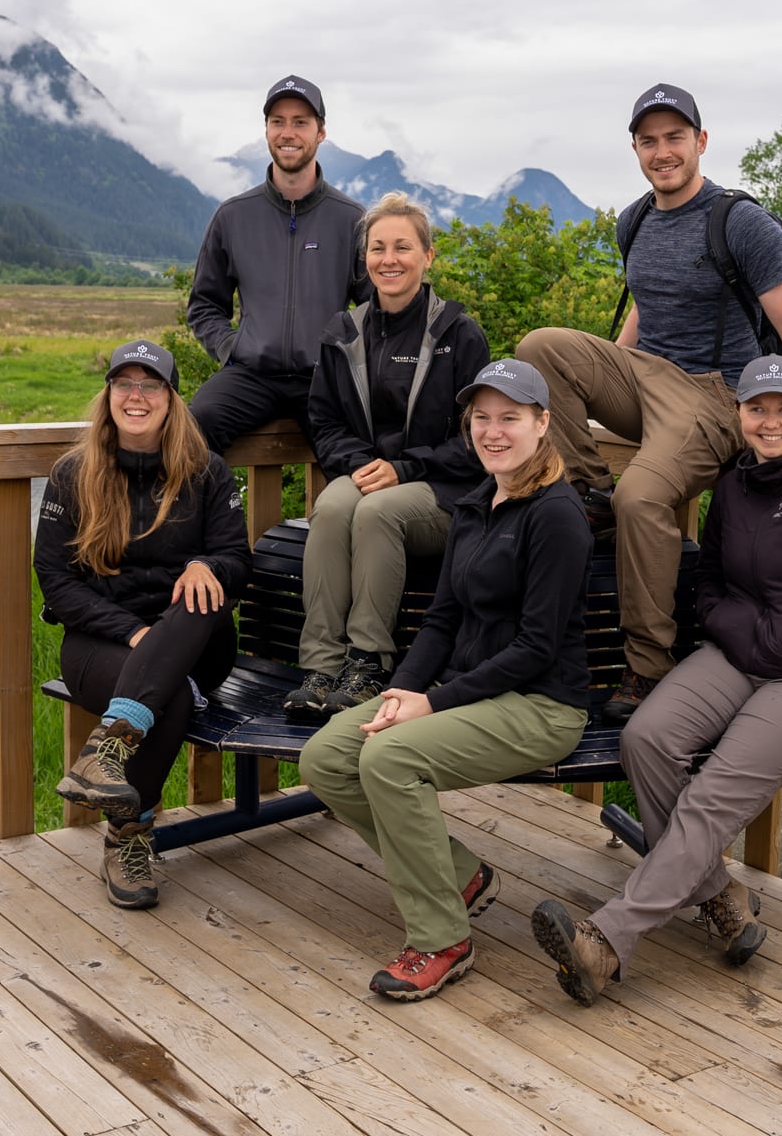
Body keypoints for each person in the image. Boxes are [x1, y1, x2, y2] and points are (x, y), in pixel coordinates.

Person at [529, 354, 782, 1004]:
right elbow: (707, 580)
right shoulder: (731, 485)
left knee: (711, 794)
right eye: (757, 408)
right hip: (737, 657)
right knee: (645, 738)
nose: (769, 422)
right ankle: (720, 899)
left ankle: (605, 942)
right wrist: (733, 626)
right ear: (737, 415)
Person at [515, 82, 782, 724]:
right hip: (647, 376)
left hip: (714, 394)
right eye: (649, 140)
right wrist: (595, 390)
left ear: (701, 142)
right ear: (634, 148)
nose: (663, 151)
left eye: (674, 137)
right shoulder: (634, 220)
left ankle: (646, 666)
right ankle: (589, 496)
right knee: (541, 345)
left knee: (644, 497)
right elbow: (640, 322)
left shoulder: (740, 223)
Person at [298, 358, 593, 1001]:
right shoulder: (476, 503)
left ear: (543, 425)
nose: (493, 431)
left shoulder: (557, 516)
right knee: (326, 757)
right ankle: (459, 875)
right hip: (467, 690)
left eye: (509, 419)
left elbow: (537, 647)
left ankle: (441, 940)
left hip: (540, 704)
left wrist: (432, 703)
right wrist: (399, 691)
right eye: (481, 418)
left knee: (389, 757)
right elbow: (441, 620)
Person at [38, 340, 252, 910]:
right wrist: (137, 636)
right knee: (170, 699)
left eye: (150, 384)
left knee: (201, 593)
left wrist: (209, 564)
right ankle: (128, 837)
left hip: (197, 639)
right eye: (124, 384)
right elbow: (57, 582)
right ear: (108, 395)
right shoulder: (72, 474)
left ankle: (106, 751)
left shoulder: (205, 471)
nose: (137, 396)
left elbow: (238, 560)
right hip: (103, 642)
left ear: (170, 398)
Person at [283, 191, 492, 717]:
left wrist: (404, 468)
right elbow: (323, 422)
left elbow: (477, 440)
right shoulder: (344, 335)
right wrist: (362, 464)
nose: (389, 259)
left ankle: (368, 663)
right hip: (369, 475)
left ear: (428, 255)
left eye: (403, 247)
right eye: (378, 248)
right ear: (365, 258)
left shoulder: (458, 334)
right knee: (331, 508)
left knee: (378, 511)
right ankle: (321, 665)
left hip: (444, 491)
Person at [186, 75, 368, 454]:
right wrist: (230, 347)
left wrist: (347, 360)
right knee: (191, 433)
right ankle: (215, 514)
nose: (288, 132)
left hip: (324, 379)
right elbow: (204, 303)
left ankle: (344, 515)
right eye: (278, 121)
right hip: (249, 375)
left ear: (321, 133)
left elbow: (377, 308)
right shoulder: (233, 216)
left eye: (300, 122)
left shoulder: (351, 219)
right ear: (266, 130)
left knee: (357, 454)